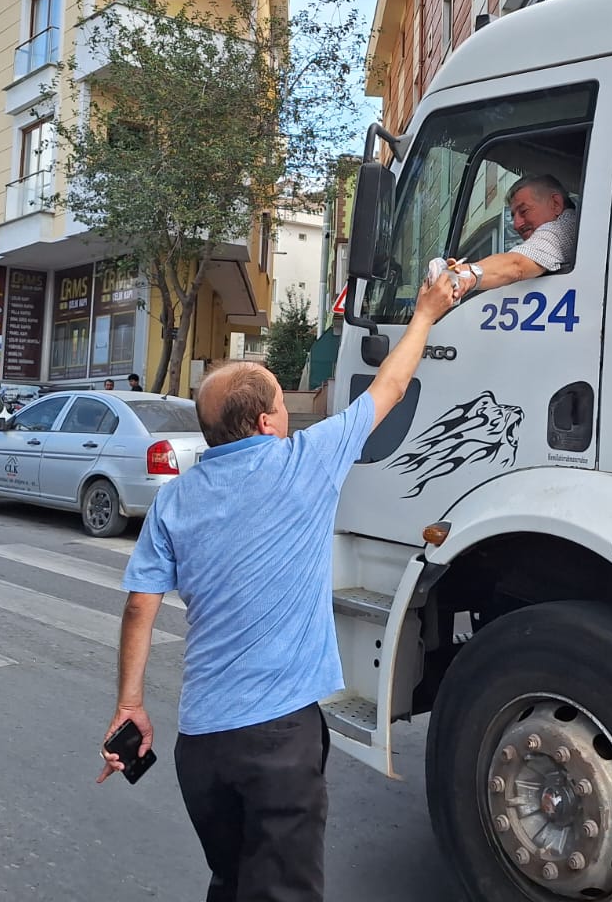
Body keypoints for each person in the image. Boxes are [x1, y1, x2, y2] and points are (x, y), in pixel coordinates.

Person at [97, 275, 457, 902]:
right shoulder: (304, 463)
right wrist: (426, 310)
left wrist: (130, 704)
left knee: (231, 881)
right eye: (283, 407)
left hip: (201, 747)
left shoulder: (175, 502)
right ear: (266, 422)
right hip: (278, 743)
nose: (290, 415)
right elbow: (391, 387)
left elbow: (139, 606)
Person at [446, 173, 578, 298]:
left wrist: (464, 275)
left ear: (556, 204)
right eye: (513, 216)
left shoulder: (565, 227)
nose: (516, 225)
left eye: (524, 211)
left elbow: (516, 265)